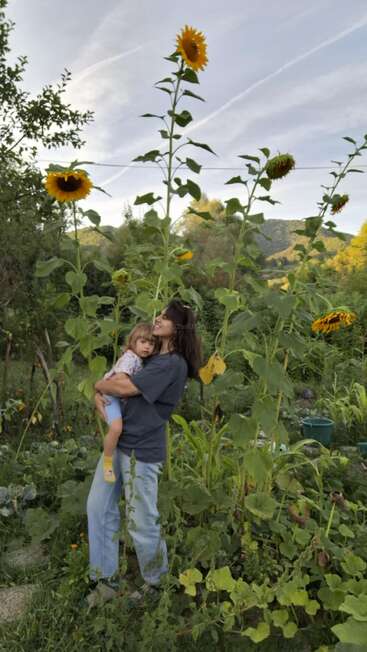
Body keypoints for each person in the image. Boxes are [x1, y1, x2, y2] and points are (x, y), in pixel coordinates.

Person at [87, 299, 202, 602]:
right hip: (119, 445)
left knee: (141, 519)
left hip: (142, 451)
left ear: (178, 327)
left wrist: (99, 385)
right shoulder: (150, 357)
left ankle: (156, 583)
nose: (158, 319)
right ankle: (104, 580)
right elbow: (117, 384)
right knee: (98, 507)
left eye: (165, 317)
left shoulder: (172, 364)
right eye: (159, 314)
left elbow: (122, 388)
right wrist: (101, 393)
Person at [101, 323, 156, 483]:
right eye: (143, 342)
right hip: (110, 396)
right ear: (133, 342)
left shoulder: (139, 359)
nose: (147, 347)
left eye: (151, 343)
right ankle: (107, 464)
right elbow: (120, 380)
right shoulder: (130, 358)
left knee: (120, 428)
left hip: (117, 397)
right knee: (116, 428)